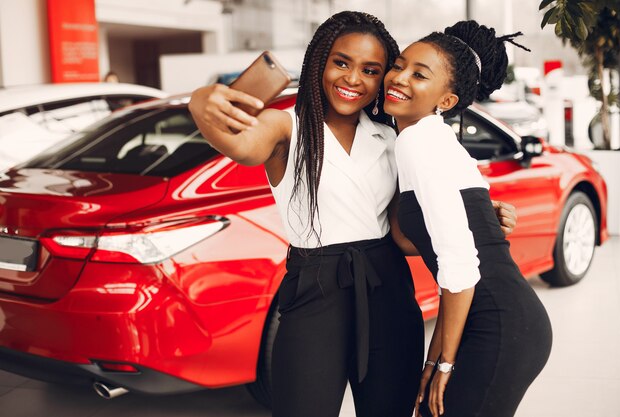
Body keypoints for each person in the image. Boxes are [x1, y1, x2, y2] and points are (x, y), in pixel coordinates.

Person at [189, 12, 517, 417]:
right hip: (314, 292)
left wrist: (477, 217)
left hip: (389, 290)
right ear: (319, 62)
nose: (353, 79)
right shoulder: (285, 127)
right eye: (341, 63)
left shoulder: (392, 137)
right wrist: (201, 101)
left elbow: (404, 236)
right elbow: (241, 145)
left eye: (371, 70)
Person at [383, 21, 552, 417]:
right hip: (500, 316)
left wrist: (444, 363)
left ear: (446, 101)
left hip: (498, 324)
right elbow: (417, 242)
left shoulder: (419, 141)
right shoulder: (430, 140)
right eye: (399, 64)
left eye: (419, 74)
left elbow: (459, 266)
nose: (399, 77)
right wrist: (435, 357)